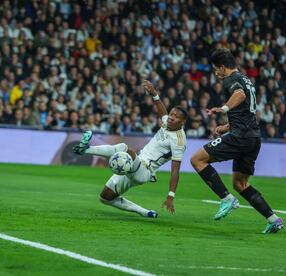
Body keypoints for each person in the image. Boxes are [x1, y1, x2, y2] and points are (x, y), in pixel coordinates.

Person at [190, 48, 284, 234]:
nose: (216, 73)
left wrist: (224, 108)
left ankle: (226, 199)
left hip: (240, 137)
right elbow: (246, 112)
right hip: (253, 137)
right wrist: (225, 127)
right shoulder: (246, 79)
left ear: (223, 67)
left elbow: (239, 95)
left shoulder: (231, 80)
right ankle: (274, 219)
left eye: (216, 69)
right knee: (240, 184)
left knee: (197, 160)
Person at [73, 80, 187, 218]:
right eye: (172, 114)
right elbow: (162, 111)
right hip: (134, 164)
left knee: (124, 149)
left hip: (145, 170)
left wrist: (171, 195)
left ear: (183, 122)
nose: (171, 117)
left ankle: (85, 149)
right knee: (105, 198)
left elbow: (175, 170)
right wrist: (154, 94)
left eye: (176, 116)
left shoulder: (179, 141)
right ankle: (144, 212)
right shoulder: (167, 122)